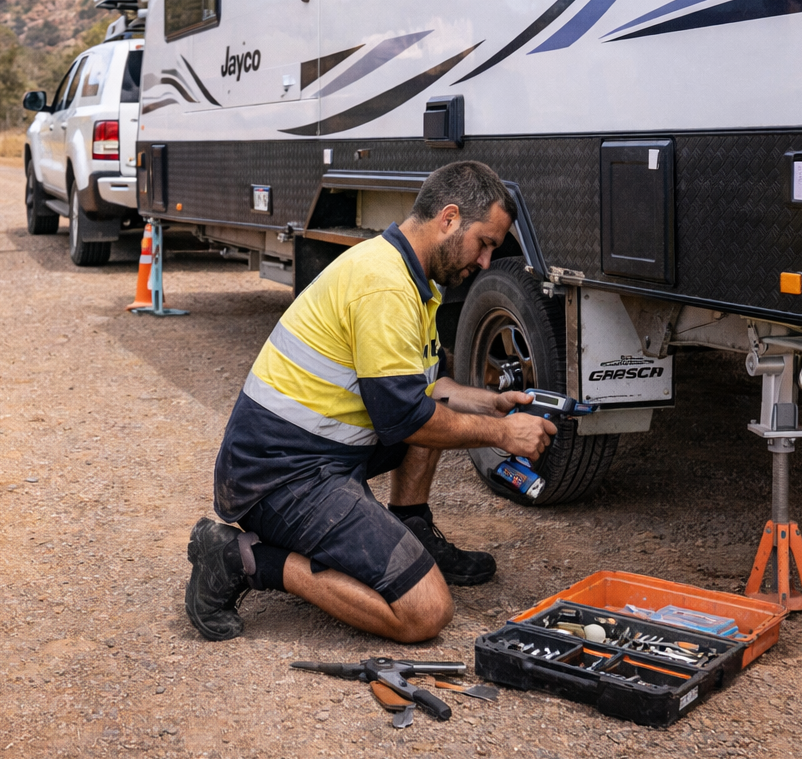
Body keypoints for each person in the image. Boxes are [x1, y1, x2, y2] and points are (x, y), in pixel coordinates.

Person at [185, 161, 558, 644]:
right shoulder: (385, 286)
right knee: (425, 613)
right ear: (449, 219)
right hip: (278, 476)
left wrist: (490, 404)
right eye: (485, 243)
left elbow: (425, 392)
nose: (486, 261)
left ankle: (411, 528)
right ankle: (241, 558)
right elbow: (408, 418)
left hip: (311, 456)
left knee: (435, 416)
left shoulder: (407, 273)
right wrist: (506, 435)